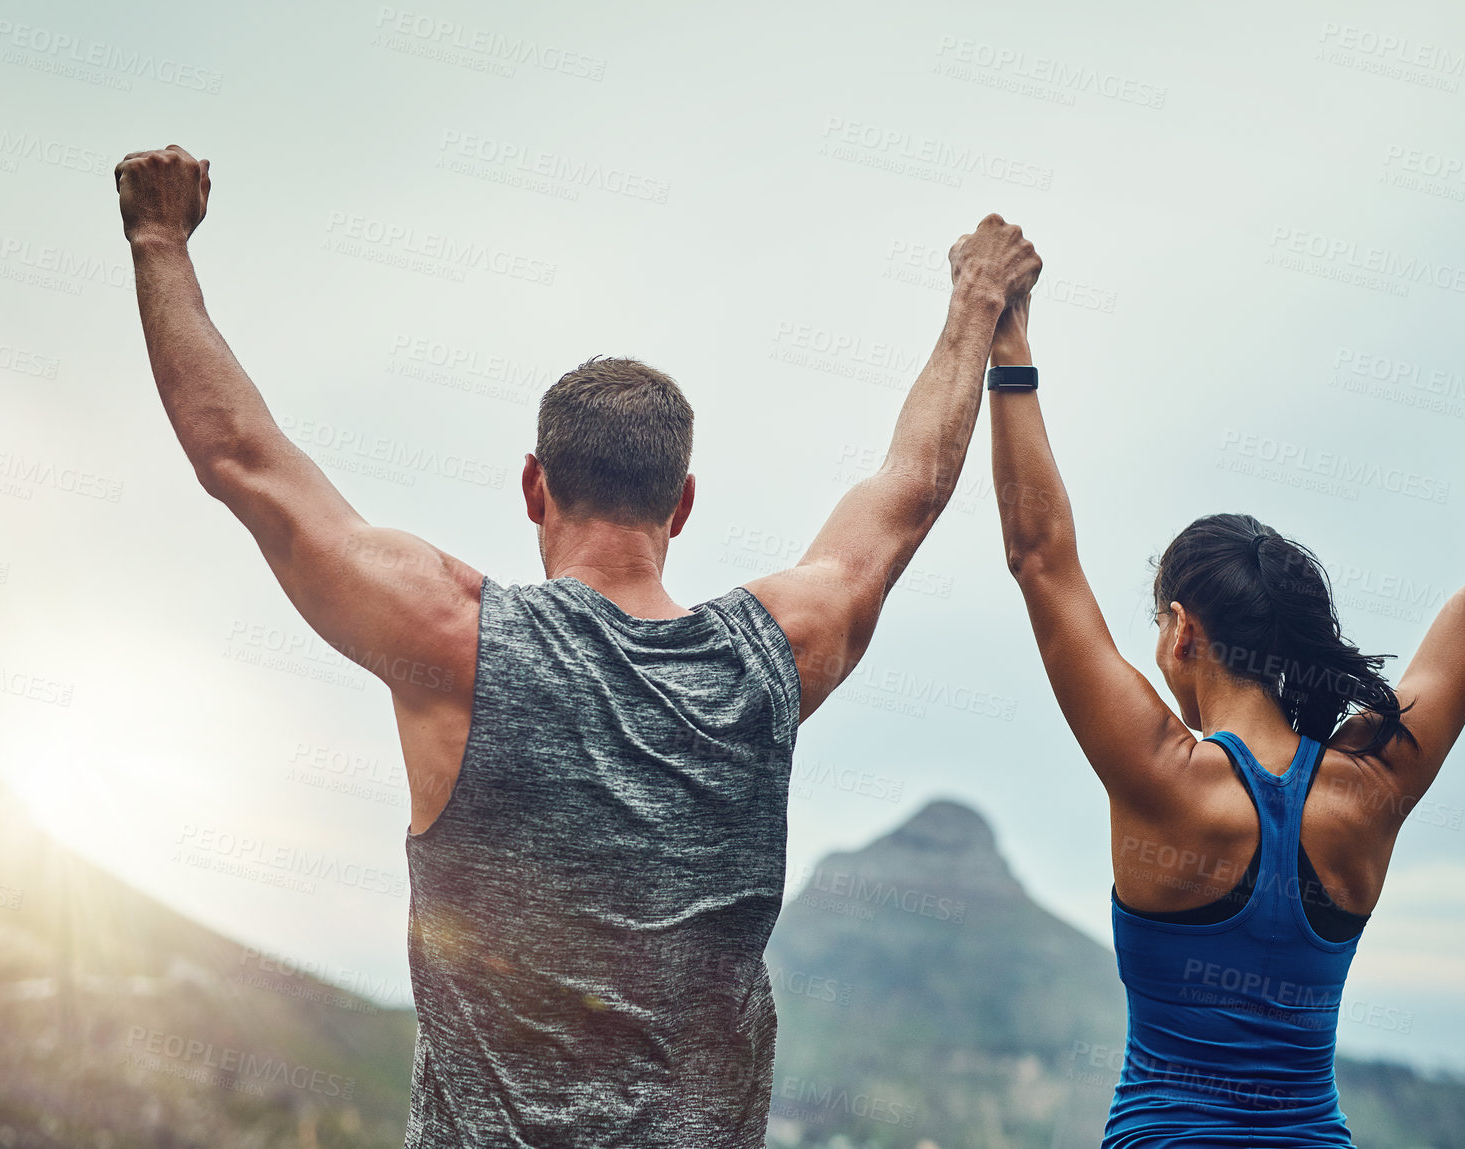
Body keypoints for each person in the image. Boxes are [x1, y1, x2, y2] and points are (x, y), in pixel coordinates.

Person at [114, 143, 1040, 1147]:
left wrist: (159, 239)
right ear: (680, 505)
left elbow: (241, 458)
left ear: (532, 487)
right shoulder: (770, 656)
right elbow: (906, 492)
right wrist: (975, 304)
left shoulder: (454, 641)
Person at [988, 255, 1465, 1146]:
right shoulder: (1370, 789)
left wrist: (1005, 341)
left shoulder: (1161, 777)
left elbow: (1039, 556)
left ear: (1181, 632)